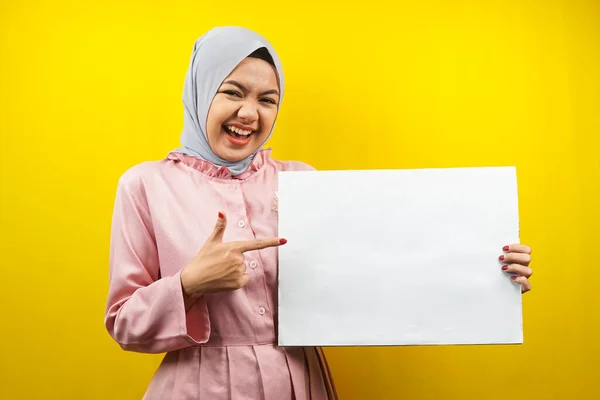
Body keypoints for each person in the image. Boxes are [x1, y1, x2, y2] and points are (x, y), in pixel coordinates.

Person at [104, 26, 534, 400]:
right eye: (232, 92)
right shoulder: (145, 185)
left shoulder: (301, 181)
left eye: (267, 100)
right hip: (198, 386)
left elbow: (379, 271)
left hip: (300, 382)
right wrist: (189, 284)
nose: (249, 113)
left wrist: (486, 274)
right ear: (199, 91)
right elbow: (123, 322)